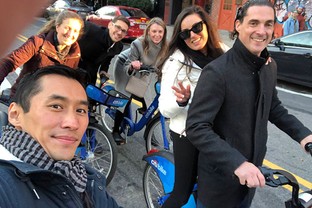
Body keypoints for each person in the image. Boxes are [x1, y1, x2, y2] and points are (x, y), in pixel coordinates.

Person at [186, 1, 312, 207]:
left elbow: (273, 107)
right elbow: (196, 127)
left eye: (268, 24)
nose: (261, 31)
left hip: (252, 175)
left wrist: (304, 135)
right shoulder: (217, 72)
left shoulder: (269, 66)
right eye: (253, 23)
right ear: (238, 25)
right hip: (221, 181)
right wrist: (237, 163)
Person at [0, 65, 121, 207]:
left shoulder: (82, 176)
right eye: (56, 106)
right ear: (15, 115)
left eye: (81, 110)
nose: (73, 123)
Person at [158, 5, 228, 207]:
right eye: (186, 33)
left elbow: (246, 62)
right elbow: (164, 108)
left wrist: (261, 59)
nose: (193, 36)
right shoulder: (175, 62)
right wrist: (182, 100)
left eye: (197, 27)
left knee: (211, 188)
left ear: (206, 25)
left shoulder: (224, 53)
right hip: (187, 133)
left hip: (217, 132)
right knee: (182, 192)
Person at [0, 10, 84, 99]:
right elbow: (10, 62)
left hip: (49, 102)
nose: (70, 34)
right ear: (57, 27)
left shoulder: (75, 54)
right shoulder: (38, 43)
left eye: (75, 31)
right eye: (67, 28)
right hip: (25, 98)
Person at [111, 17, 168, 144]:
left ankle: (148, 132)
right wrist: (133, 66)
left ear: (164, 33)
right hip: (125, 66)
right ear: (148, 32)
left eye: (160, 31)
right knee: (126, 97)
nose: (157, 35)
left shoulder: (166, 46)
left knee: (149, 100)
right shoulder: (138, 43)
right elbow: (127, 65)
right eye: (154, 31)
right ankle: (115, 131)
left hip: (144, 70)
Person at [78, 16, 130, 85]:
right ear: (110, 25)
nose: (120, 33)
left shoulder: (118, 47)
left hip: (90, 78)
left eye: (123, 31)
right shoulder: (92, 30)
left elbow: (107, 60)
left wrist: (103, 71)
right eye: (118, 27)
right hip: (73, 71)